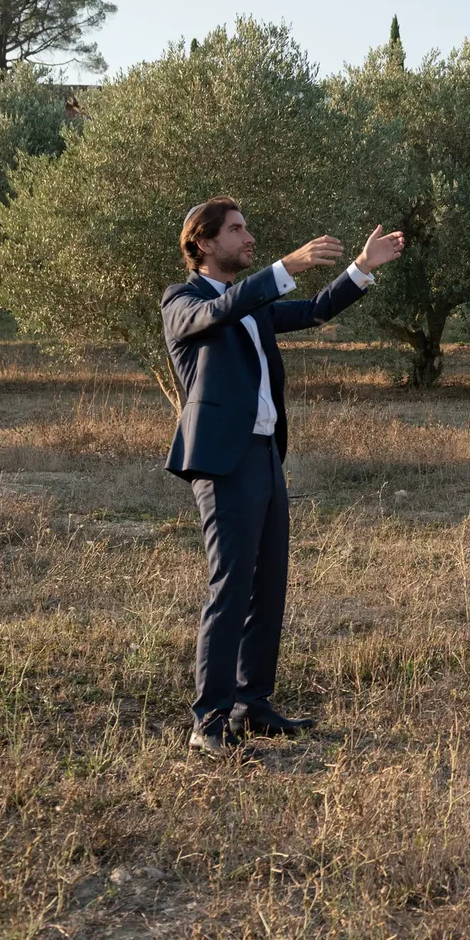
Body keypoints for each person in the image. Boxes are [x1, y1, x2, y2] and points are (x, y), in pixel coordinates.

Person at [163, 197, 404, 756]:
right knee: (230, 588)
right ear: (202, 243)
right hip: (223, 462)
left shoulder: (250, 302)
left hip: (266, 455)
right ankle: (209, 722)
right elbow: (217, 313)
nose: (249, 238)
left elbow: (316, 310)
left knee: (268, 587)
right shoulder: (181, 301)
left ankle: (253, 706)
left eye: (249, 228)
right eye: (237, 230)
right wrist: (288, 265)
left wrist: (361, 268)